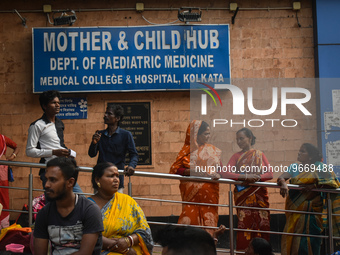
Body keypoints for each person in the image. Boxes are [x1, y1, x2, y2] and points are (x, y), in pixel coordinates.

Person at [277, 143, 339, 255]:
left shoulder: (320, 167)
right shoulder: (294, 167)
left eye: (303, 151)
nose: (299, 153)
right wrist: (283, 184)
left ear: (310, 156)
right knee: (291, 239)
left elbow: (333, 183)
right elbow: (281, 177)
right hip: (294, 211)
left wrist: (314, 186)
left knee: (310, 242)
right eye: (299, 151)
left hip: (312, 213)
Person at [33, 157, 103, 255]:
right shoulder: (44, 214)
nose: (47, 185)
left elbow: (85, 253)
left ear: (70, 182)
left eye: (53, 180)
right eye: (46, 179)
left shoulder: (90, 210)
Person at [220, 128, 273, 251]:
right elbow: (225, 173)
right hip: (243, 197)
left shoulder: (260, 154)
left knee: (263, 225)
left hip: (259, 197)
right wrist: (244, 176)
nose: (238, 141)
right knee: (244, 226)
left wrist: (257, 178)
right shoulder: (236, 156)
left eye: (241, 138)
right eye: (237, 139)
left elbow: (270, 173)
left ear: (250, 138)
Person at [169, 120, 221, 237]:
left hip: (209, 196)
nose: (208, 136)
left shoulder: (213, 150)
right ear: (196, 135)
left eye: (209, 133)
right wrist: (192, 172)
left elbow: (220, 169)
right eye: (205, 134)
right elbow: (175, 169)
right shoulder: (186, 151)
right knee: (188, 221)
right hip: (191, 197)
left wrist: (218, 174)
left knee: (209, 222)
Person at [88, 162, 153, 255]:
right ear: (97, 180)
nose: (116, 180)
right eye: (111, 176)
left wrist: (128, 241)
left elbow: (144, 230)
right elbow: (89, 236)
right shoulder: (87, 205)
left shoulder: (128, 201)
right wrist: (123, 248)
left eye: (117, 176)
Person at [26, 90, 82, 193]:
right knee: (53, 202)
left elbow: (60, 145)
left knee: (79, 198)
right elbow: (29, 151)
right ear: (44, 106)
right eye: (53, 103)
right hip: (49, 170)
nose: (57, 105)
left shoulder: (59, 123)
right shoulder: (37, 125)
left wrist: (69, 152)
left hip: (64, 168)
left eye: (58, 103)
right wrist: (53, 152)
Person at [88, 104, 138, 193]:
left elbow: (134, 154)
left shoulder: (126, 135)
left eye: (109, 114)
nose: (105, 116)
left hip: (116, 180)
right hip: (101, 179)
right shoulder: (100, 134)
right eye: (105, 113)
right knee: (99, 206)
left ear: (117, 118)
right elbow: (92, 154)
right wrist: (94, 143)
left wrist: (131, 166)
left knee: (116, 206)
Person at [0, 133, 19, 228]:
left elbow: (17, 147)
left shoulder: (2, 138)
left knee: (3, 197)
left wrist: (12, 156)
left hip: (2, 171)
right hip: (3, 170)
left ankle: (3, 225)